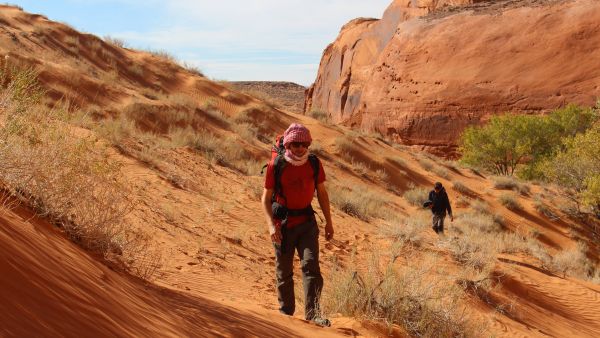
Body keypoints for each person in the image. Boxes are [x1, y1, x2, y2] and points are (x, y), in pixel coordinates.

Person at [261, 123, 334, 327]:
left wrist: (329, 222)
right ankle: (285, 314)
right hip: (283, 225)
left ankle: (313, 314)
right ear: (288, 144)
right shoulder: (276, 166)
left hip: (307, 224)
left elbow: (322, 194)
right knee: (284, 271)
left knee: (311, 267)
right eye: (295, 144)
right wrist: (271, 226)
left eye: (303, 144)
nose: (300, 148)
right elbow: (265, 199)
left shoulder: (313, 163)